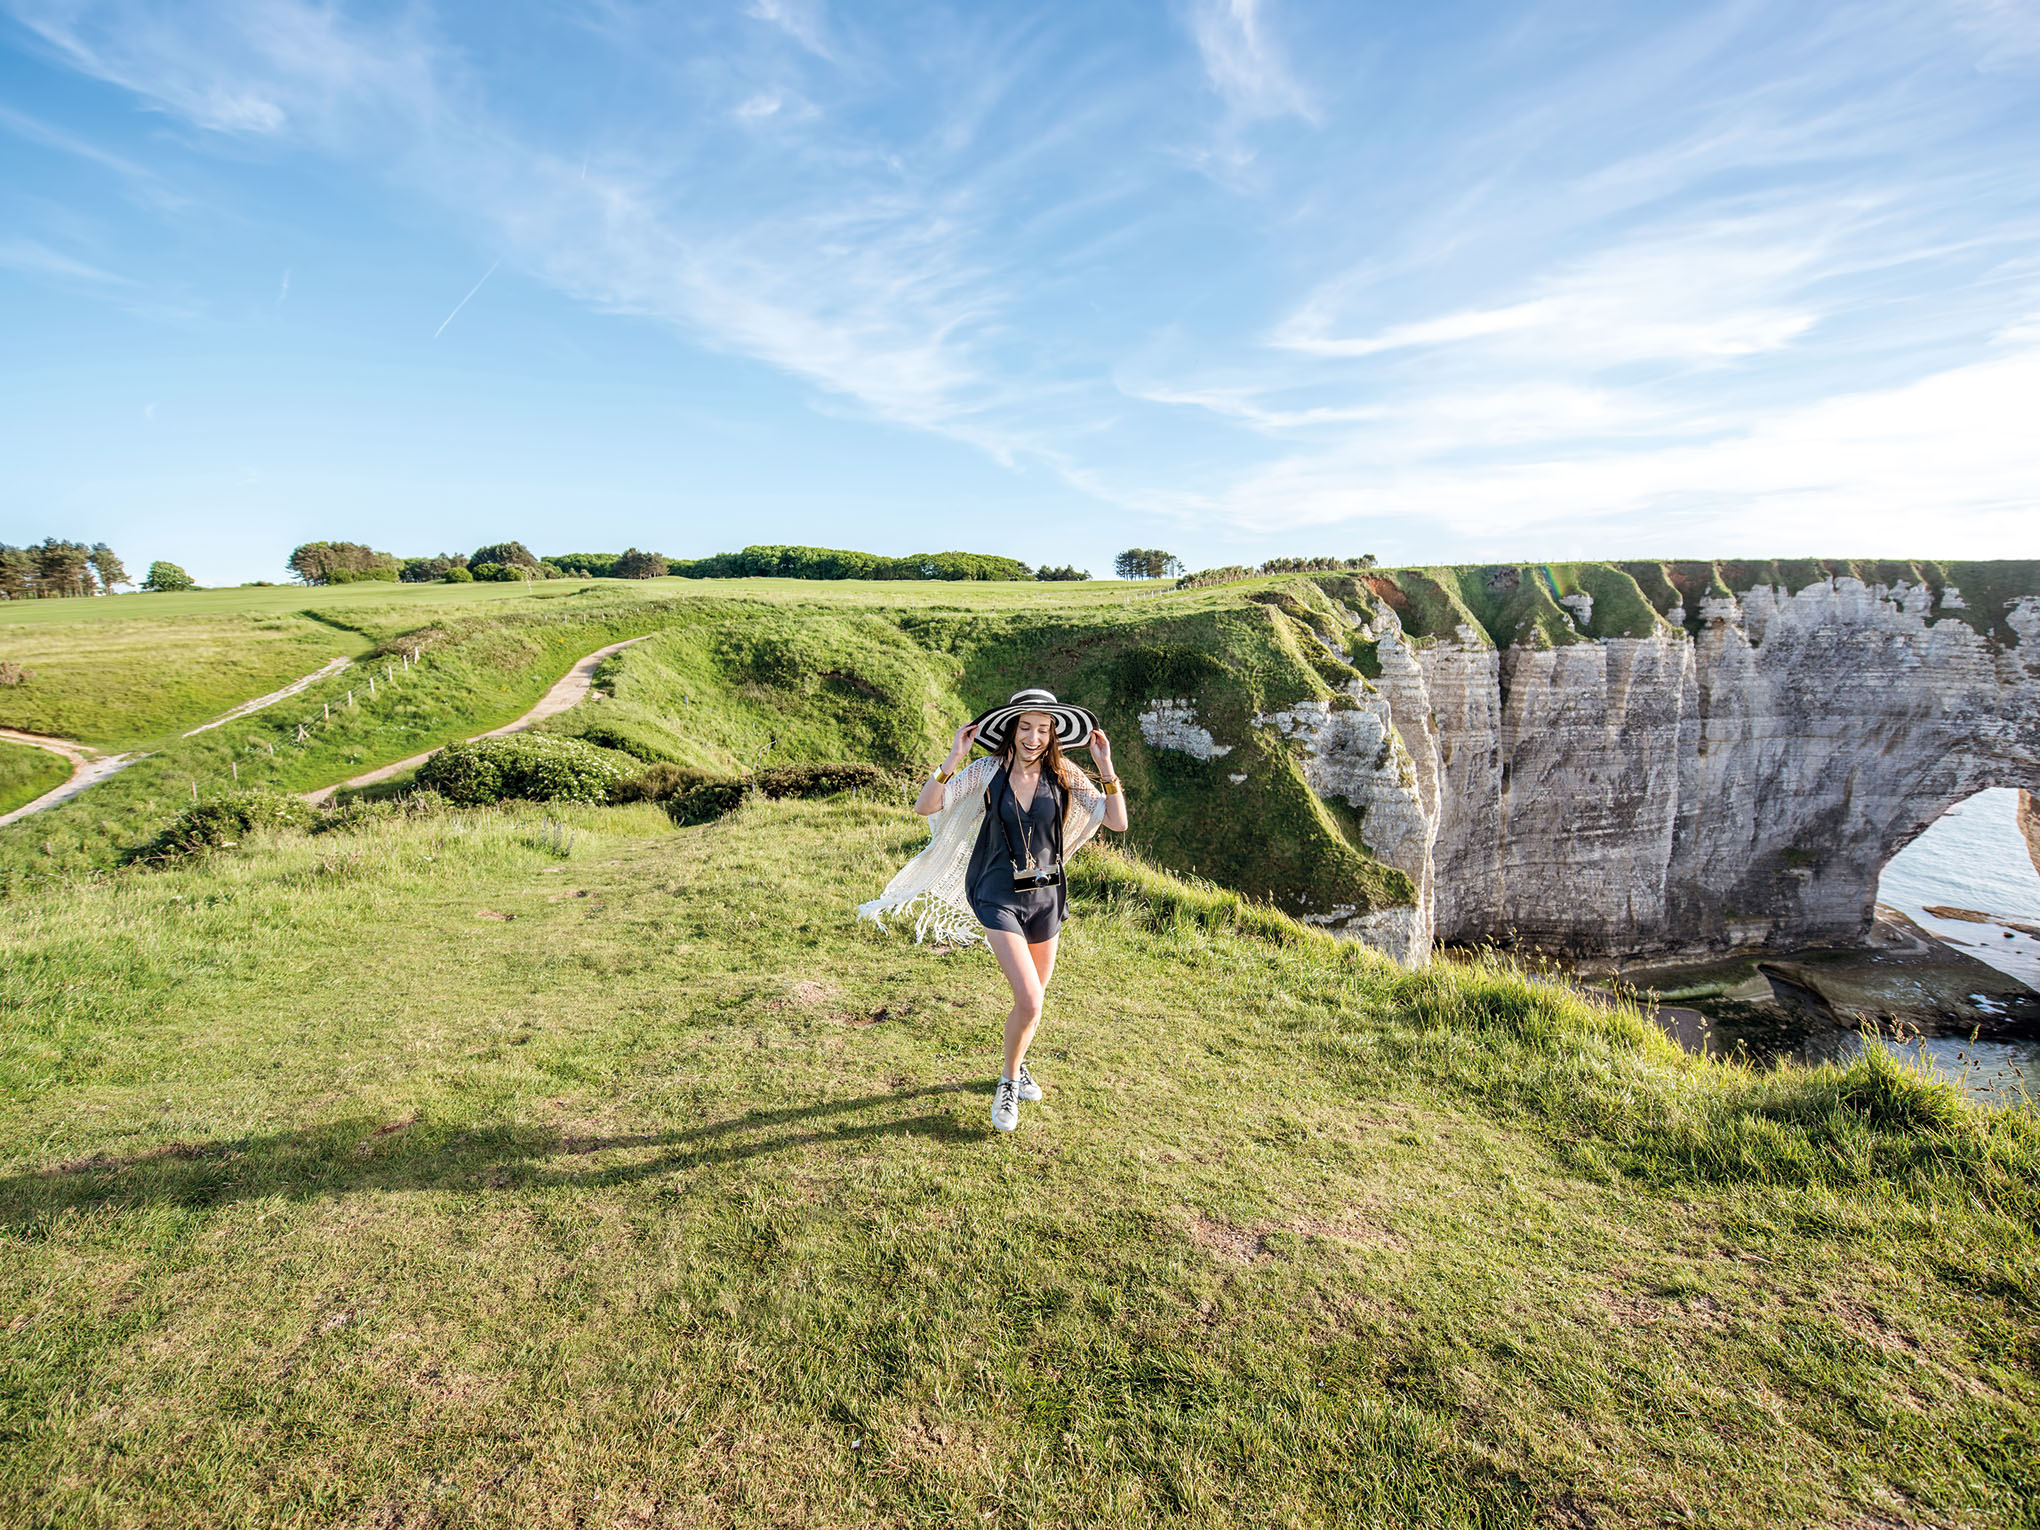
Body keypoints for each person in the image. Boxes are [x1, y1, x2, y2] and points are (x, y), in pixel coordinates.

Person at [857, 687, 1130, 1131]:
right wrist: (952, 759)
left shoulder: (1064, 774)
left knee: (1032, 1004)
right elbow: (926, 805)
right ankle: (1007, 1084)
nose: (1034, 737)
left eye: (1043, 729)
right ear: (1011, 728)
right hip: (995, 892)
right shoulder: (987, 770)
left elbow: (1116, 821)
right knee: (1029, 997)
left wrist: (1105, 767)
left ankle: (1018, 1065)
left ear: (1054, 734)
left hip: (1046, 897)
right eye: (1026, 727)